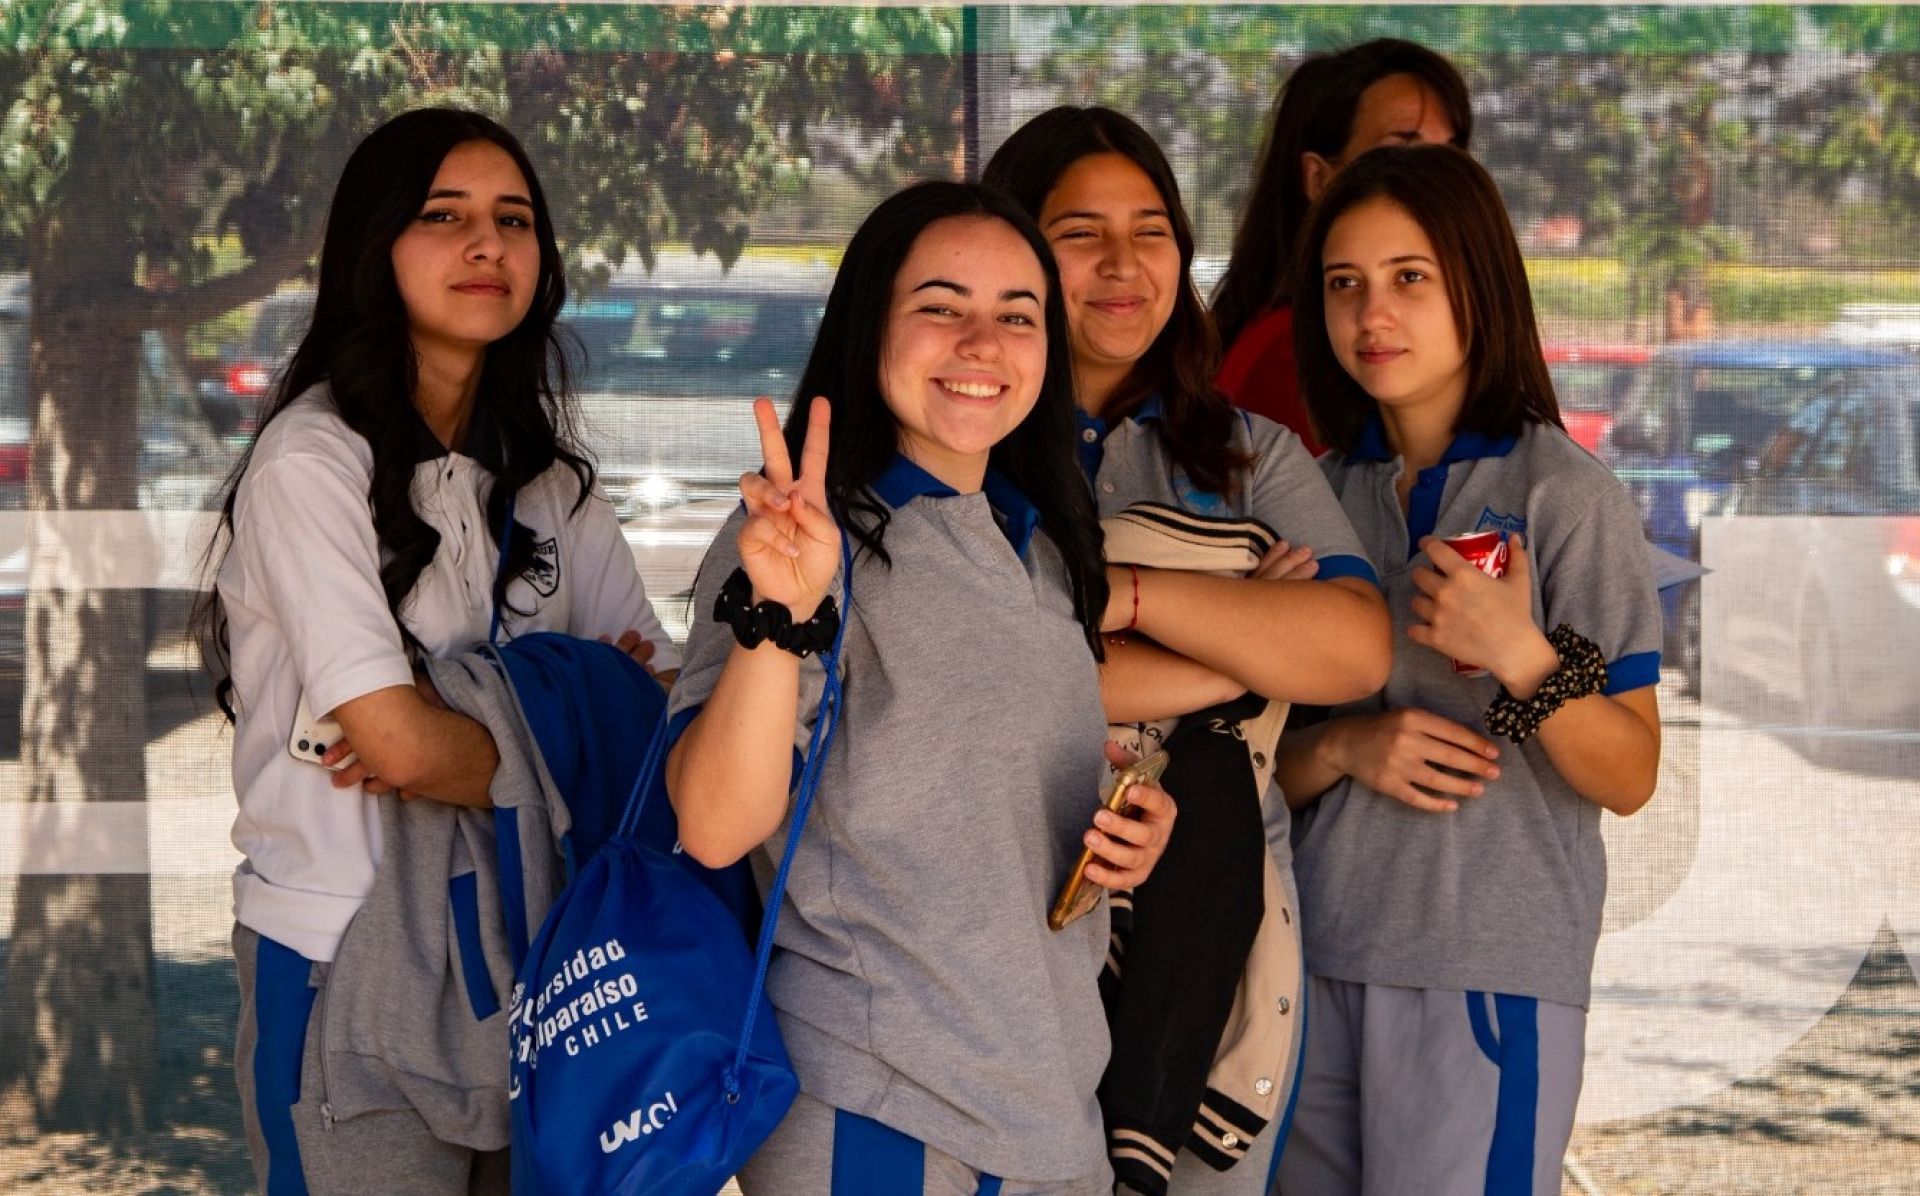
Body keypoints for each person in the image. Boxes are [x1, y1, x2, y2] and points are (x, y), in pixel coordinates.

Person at [664, 180, 1178, 1195]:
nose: (982, 341)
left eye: (1017, 315)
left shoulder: (1035, 541)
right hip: (882, 1113)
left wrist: (1132, 839)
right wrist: (781, 609)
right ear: (871, 326)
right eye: (941, 305)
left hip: (1052, 1108)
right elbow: (717, 825)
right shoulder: (808, 538)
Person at [202, 107, 677, 1194]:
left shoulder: (552, 483)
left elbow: (651, 715)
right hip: (338, 950)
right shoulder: (312, 461)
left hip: (542, 942)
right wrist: (547, 716)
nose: (487, 244)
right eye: (444, 215)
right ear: (377, 249)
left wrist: (453, 732)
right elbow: (397, 743)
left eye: (514, 219)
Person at [983, 106, 1390, 1195]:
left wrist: (1126, 593)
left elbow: (1351, 650)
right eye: (1080, 232)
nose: (1124, 264)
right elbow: (1004, 674)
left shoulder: (1249, 452)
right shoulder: (964, 440)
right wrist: (1242, 642)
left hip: (1217, 960)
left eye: (1151, 228)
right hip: (997, 916)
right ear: (1007, 244)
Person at [1274, 144, 1663, 1195]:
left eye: (1410, 278)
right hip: (1306, 966)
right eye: (1344, 284)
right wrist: (1348, 745)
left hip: (1484, 972)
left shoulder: (1564, 494)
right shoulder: (1312, 493)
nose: (1371, 315)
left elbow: (1631, 773)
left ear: (1478, 287)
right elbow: (1254, 761)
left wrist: (1519, 651)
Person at [1213, 39, 1472, 451]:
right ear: (1318, 178)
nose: (1436, 185)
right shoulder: (1294, 350)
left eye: (1451, 156)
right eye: (1402, 152)